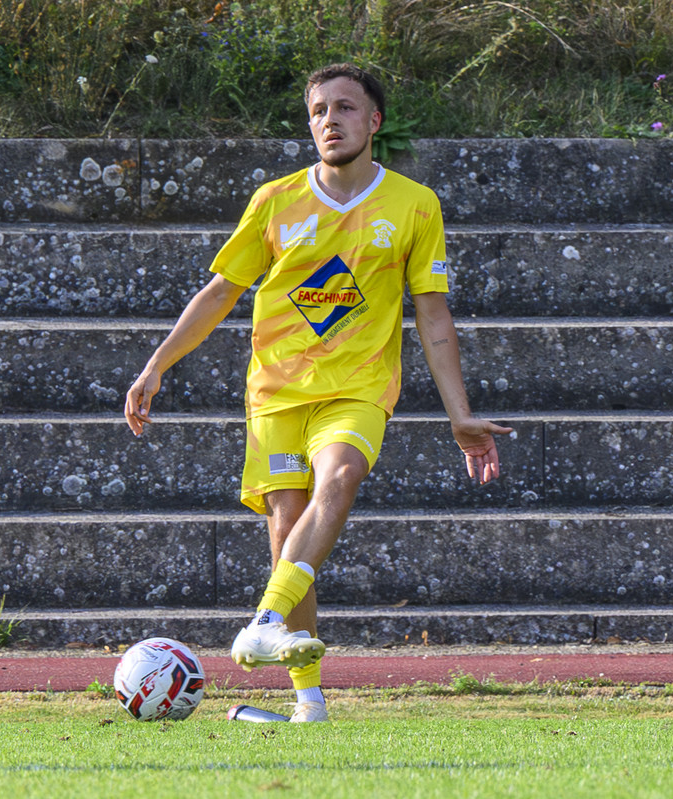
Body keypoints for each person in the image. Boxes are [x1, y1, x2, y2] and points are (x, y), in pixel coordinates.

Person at [123, 63, 512, 723]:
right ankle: (309, 702)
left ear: (374, 121)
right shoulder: (275, 200)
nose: (330, 120)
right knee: (288, 528)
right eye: (318, 111)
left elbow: (433, 313)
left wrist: (460, 415)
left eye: (345, 108)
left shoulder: (414, 205)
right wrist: (156, 365)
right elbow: (221, 292)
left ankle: (264, 620)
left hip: (358, 388)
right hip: (276, 393)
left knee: (342, 475)